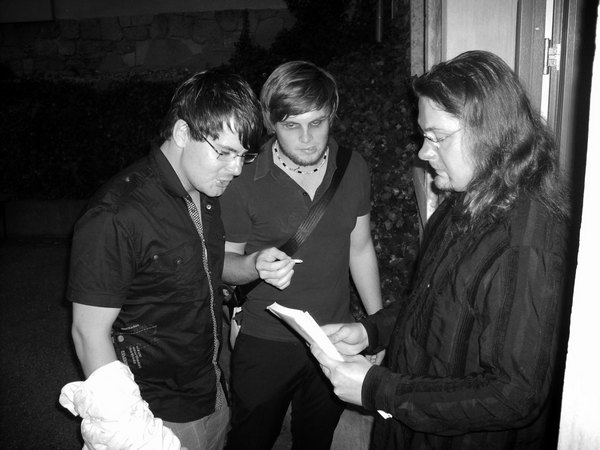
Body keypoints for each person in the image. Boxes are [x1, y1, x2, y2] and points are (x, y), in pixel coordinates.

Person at [310, 50, 571, 449]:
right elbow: (430, 300)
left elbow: (513, 395)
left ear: (491, 133)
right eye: (423, 136)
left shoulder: (529, 244)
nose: (423, 153)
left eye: (437, 137)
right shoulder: (462, 202)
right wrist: (370, 330)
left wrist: (377, 388)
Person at [65, 69, 262, 449]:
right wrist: (130, 431)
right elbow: (88, 333)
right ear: (183, 132)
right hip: (154, 411)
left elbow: (201, 272)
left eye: (244, 156)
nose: (237, 169)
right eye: (225, 152)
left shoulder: (206, 192)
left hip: (211, 388)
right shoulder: (117, 215)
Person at [220, 60, 384, 449]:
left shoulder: (353, 167)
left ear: (332, 115)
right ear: (271, 123)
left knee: (316, 439)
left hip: (334, 339)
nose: (307, 138)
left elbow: (360, 248)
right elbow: (223, 264)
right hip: (263, 339)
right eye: (292, 125)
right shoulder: (244, 176)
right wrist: (254, 265)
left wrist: (377, 328)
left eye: (317, 123)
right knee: (250, 440)